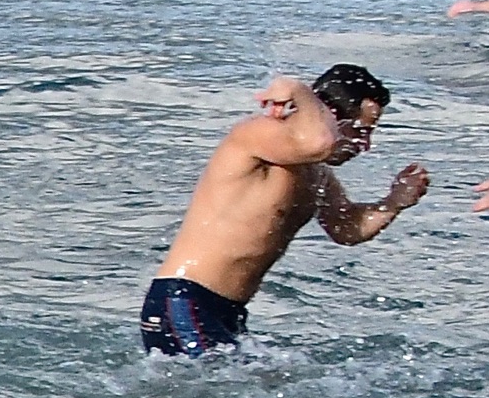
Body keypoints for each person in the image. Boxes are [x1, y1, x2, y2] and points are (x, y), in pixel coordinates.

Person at [140, 65, 429, 356]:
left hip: (227, 311)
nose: (365, 145)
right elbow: (320, 142)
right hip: (183, 299)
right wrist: (297, 89)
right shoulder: (258, 135)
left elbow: (347, 228)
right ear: (328, 114)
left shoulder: (315, 173)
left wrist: (394, 202)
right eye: (361, 131)